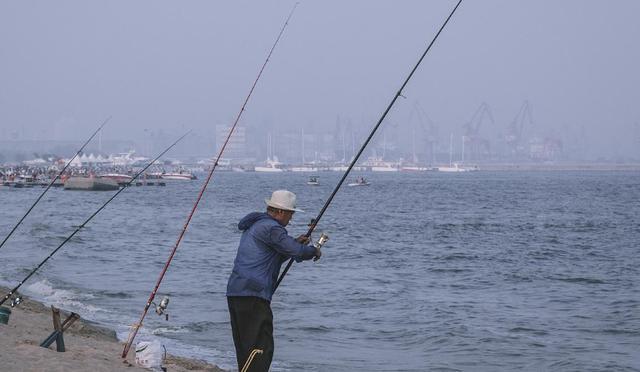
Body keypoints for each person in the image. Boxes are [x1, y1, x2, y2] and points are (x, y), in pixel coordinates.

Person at [227, 189, 321, 371]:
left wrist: (295, 243)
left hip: (237, 292)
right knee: (261, 347)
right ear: (280, 212)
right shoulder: (272, 228)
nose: (290, 220)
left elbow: (275, 257)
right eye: (290, 215)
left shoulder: (258, 225)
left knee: (247, 347)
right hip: (253, 295)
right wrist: (314, 250)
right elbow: (299, 253)